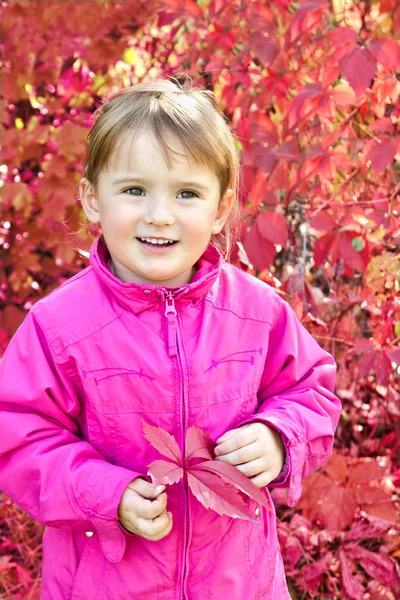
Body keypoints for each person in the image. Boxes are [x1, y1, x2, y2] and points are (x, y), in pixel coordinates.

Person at [0, 77, 341, 600]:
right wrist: (105, 494)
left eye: (187, 193)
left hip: (237, 581)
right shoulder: (60, 325)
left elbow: (311, 391)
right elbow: (19, 434)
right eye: (135, 190)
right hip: (105, 583)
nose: (160, 214)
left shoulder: (256, 311)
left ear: (221, 208)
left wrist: (281, 436)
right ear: (93, 199)